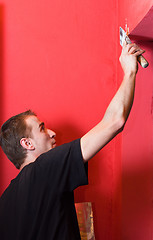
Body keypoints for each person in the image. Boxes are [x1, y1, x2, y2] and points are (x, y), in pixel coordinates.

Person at [0, 42, 145, 240]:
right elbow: (115, 121)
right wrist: (129, 71)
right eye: (42, 128)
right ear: (27, 143)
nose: (52, 133)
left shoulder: (5, 202)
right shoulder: (43, 170)